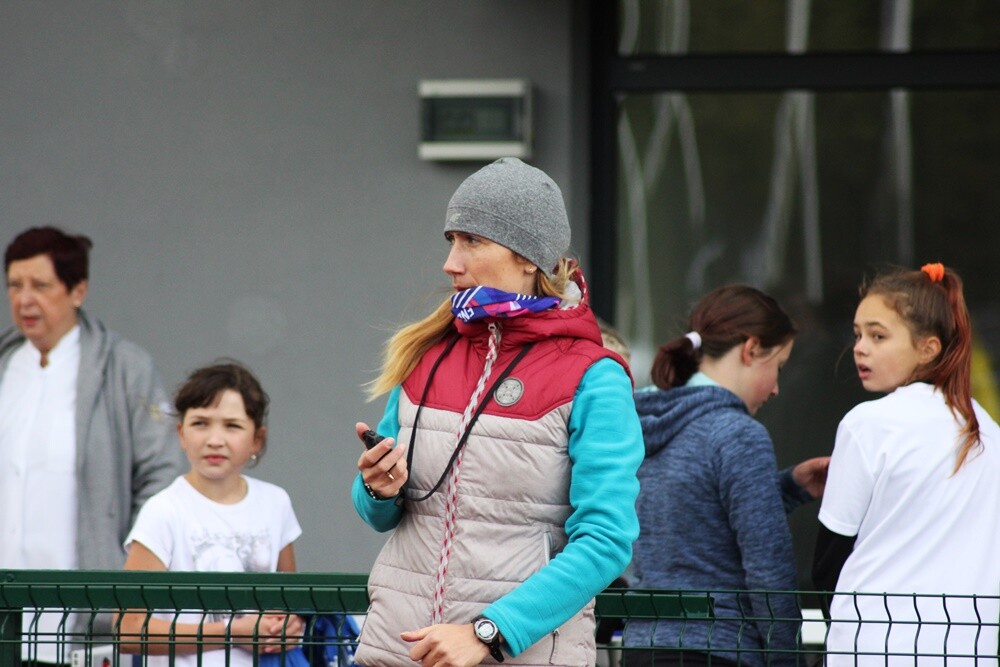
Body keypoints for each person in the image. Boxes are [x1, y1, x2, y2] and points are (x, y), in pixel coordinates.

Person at [350, 157, 644, 667]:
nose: (451, 262)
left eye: (473, 241)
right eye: (451, 240)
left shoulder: (595, 376)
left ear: (529, 258)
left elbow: (606, 541)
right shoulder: (426, 355)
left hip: (520, 655)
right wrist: (379, 487)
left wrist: (488, 633)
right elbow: (377, 516)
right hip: (400, 651)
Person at [0, 226, 184, 665]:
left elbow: (162, 473)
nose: (25, 300)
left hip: (87, 616)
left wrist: (124, 571)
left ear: (77, 290)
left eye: (41, 286)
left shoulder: (124, 367)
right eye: (14, 285)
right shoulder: (6, 363)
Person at [625, 284, 830, 667]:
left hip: (643, 646)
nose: (775, 389)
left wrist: (787, 487)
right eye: (778, 367)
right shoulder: (738, 434)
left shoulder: (642, 421)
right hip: (721, 650)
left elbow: (693, 517)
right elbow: (769, 569)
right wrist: (788, 659)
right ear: (750, 349)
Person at [813, 263, 1000, 665]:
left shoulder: (868, 424)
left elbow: (829, 562)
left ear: (928, 347)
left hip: (873, 646)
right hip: (966, 649)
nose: (860, 347)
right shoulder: (988, 432)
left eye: (878, 336)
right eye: (858, 334)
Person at [117, 361, 305, 666]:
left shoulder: (276, 502)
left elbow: (286, 603)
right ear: (180, 433)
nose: (214, 439)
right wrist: (230, 632)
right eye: (200, 423)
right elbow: (128, 630)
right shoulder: (163, 511)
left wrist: (290, 627)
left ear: (257, 438)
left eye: (232, 425)